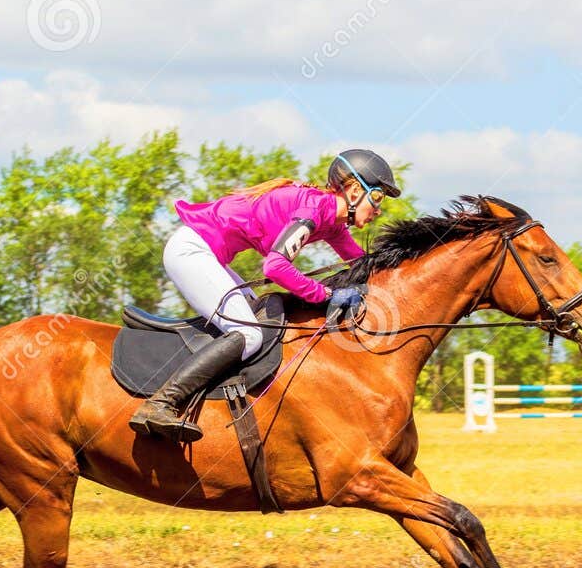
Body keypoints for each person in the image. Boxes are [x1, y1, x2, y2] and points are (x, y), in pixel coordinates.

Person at [128, 148, 401, 442]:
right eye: (377, 197)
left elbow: (363, 264)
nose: (378, 209)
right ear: (354, 190)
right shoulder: (313, 209)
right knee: (249, 334)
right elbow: (275, 266)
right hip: (192, 252)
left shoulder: (332, 224)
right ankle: (160, 404)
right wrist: (324, 295)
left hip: (208, 255)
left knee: (256, 317)